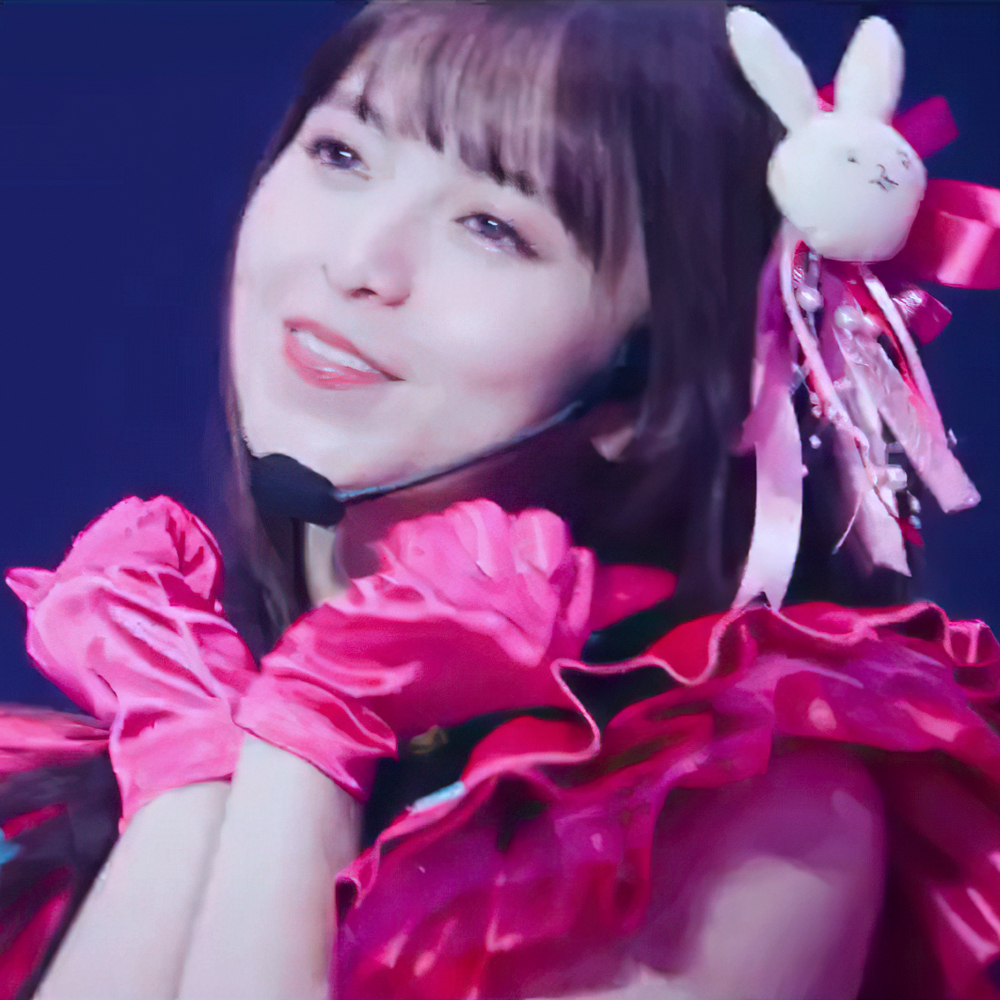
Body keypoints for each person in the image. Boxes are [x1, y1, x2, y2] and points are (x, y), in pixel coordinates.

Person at [1, 3, 999, 999]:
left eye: (493, 228)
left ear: (642, 388)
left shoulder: (755, 815)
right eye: (342, 154)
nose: (358, 264)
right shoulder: (86, 767)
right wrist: (189, 772)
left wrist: (305, 750)